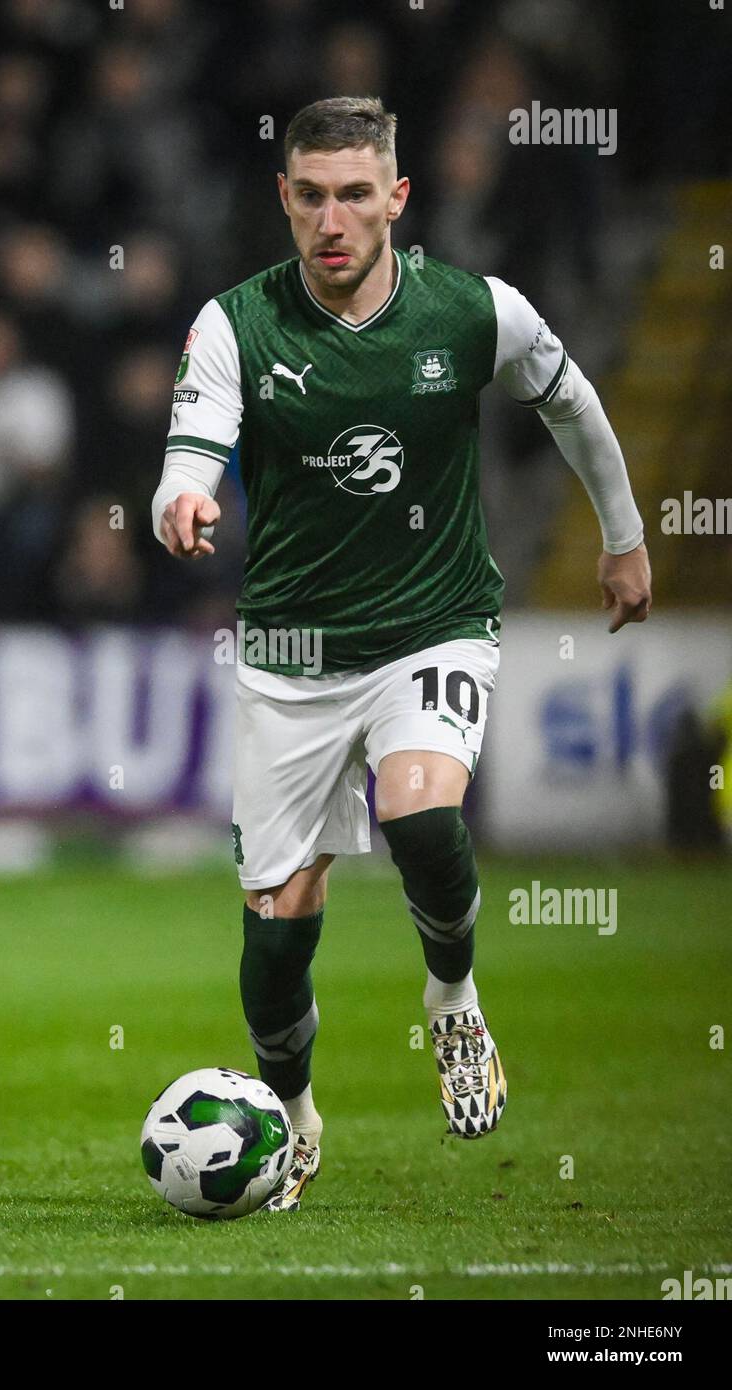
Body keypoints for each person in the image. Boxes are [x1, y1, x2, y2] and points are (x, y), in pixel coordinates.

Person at [151, 97, 651, 1211]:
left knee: (421, 811)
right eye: (313, 196)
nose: (334, 219)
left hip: (431, 624)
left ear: (397, 199)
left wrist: (622, 536)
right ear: (285, 199)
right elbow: (187, 452)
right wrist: (180, 500)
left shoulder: (472, 311)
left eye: (356, 194)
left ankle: (453, 998)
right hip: (289, 655)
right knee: (278, 924)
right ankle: (291, 1110)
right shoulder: (235, 324)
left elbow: (573, 405)